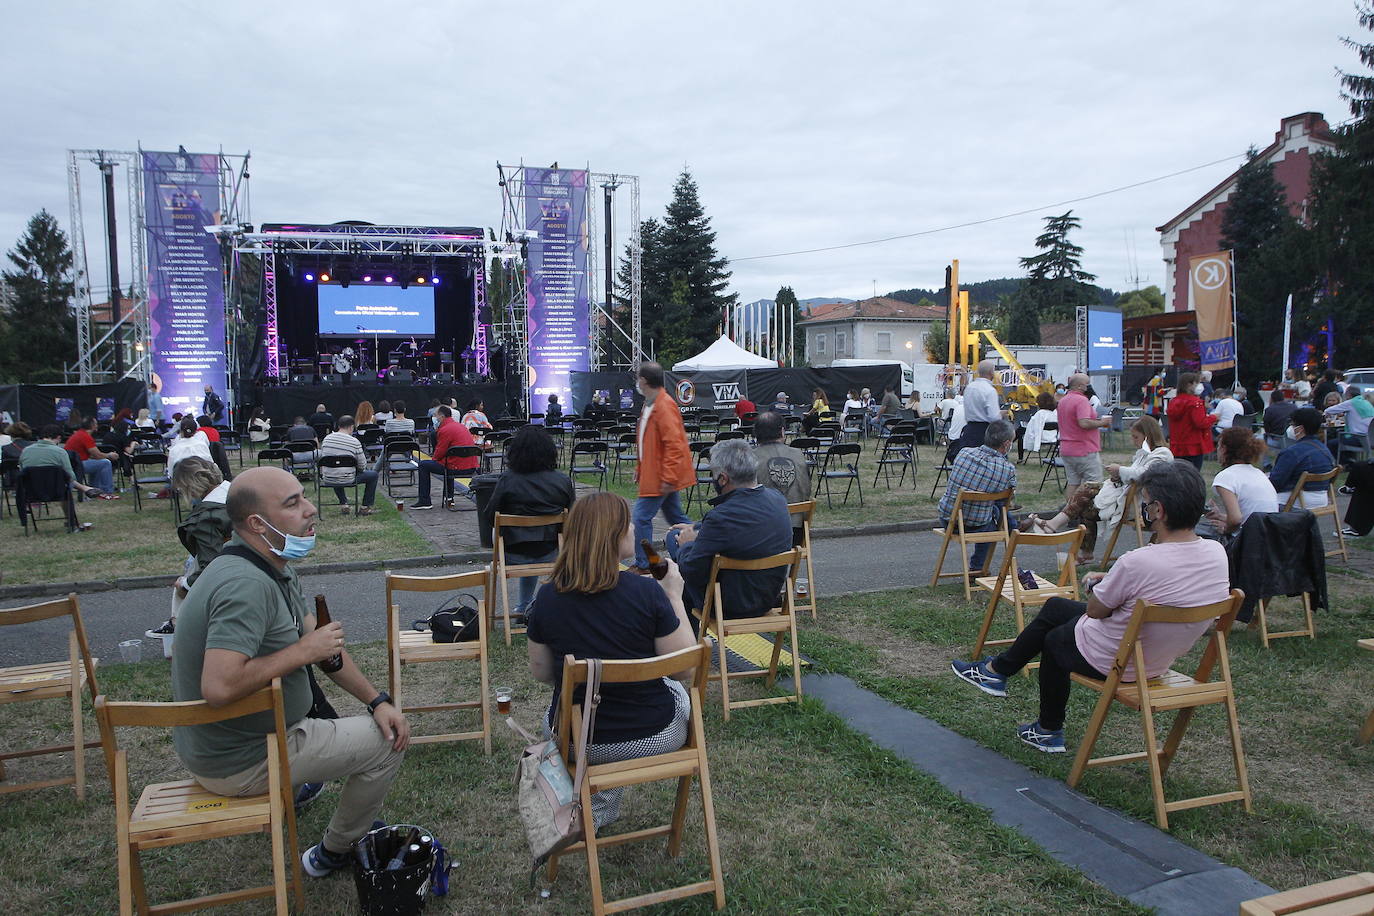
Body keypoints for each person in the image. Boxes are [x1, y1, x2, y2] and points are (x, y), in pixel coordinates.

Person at [171, 466, 409, 877]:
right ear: (257, 524)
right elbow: (219, 687)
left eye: (304, 497)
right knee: (388, 742)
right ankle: (333, 852)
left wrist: (377, 700)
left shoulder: (271, 565)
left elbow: (323, 648)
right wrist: (303, 650)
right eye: (293, 503)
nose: (311, 509)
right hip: (242, 759)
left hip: (239, 743)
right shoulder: (244, 585)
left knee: (383, 720)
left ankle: (298, 790)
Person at [951, 461, 1231, 753]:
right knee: (1057, 607)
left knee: (1055, 640)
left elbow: (1097, 611)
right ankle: (996, 672)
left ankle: (1048, 730)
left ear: (1158, 510)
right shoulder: (1215, 552)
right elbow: (1171, 581)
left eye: (1144, 504)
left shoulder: (1139, 561)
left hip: (1119, 659)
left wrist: (1102, 586)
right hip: (1155, 657)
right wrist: (1113, 579)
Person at [525, 492, 698, 828]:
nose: (634, 527)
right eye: (627, 523)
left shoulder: (547, 596)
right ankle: (604, 801)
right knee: (674, 689)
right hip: (652, 736)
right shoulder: (647, 593)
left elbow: (542, 672)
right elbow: (684, 667)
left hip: (576, 739)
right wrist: (674, 595)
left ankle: (601, 801)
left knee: (572, 700)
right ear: (614, 535)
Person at [667, 439, 794, 623]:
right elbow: (745, 528)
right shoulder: (778, 500)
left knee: (674, 541)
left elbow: (692, 571)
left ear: (723, 478)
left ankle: (688, 640)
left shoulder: (721, 517)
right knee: (688, 538)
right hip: (768, 597)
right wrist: (699, 529)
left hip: (728, 605)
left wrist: (685, 545)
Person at [1023, 415, 1173, 564]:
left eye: (1135, 437)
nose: (1133, 441)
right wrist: (1118, 476)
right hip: (1130, 499)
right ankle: (1081, 548)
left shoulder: (1162, 454)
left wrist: (1119, 470)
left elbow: (1143, 475)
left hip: (1144, 507)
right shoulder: (1145, 454)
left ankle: (1057, 526)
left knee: (1087, 491)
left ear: (1148, 436)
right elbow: (1134, 477)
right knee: (1086, 501)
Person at [480, 425, 576, 617]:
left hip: (512, 553)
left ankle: (523, 606)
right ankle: (531, 606)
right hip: (551, 551)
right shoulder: (562, 481)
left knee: (510, 534)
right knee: (545, 538)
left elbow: (490, 516)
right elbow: (573, 518)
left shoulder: (508, 479)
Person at [146, 457, 233, 639]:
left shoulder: (206, 517)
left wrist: (185, 586)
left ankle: (178, 625)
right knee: (190, 564)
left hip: (228, 570)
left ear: (188, 485)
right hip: (248, 559)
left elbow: (211, 564)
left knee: (186, 576)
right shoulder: (235, 492)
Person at [630, 362, 695, 572]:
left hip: (661, 477)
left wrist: (667, 477)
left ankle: (645, 562)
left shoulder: (663, 405)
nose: (637, 381)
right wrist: (640, 468)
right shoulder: (651, 403)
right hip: (658, 474)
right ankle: (701, 544)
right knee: (677, 518)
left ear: (644, 381)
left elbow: (674, 444)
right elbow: (647, 442)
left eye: (638, 377)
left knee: (641, 518)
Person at [938, 420, 1018, 575]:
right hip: (977, 525)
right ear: (1007, 444)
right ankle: (977, 567)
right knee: (997, 520)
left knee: (992, 507)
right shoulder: (1007, 469)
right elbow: (1008, 500)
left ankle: (1014, 527)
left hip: (948, 517)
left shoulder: (964, 453)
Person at [752, 411, 812, 595]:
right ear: (782, 432)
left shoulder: (749, 458)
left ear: (756, 434)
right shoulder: (799, 455)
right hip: (796, 532)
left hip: (763, 535)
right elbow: (807, 490)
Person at [1201, 427, 1277, 539]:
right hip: (1269, 537)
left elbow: (1236, 520)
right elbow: (1249, 515)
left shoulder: (1226, 476)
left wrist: (1225, 529)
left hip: (1248, 542)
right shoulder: (1259, 474)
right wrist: (1221, 517)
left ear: (1224, 449)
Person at [19, 424, 108, 507]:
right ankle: (71, 517)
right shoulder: (60, 452)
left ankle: (85, 488)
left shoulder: (25, 451)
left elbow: (22, 471)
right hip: (55, 490)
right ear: (58, 438)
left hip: (31, 489)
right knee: (65, 479)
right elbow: (70, 476)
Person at [412, 405, 479, 509]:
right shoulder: (461, 426)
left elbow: (439, 453)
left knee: (423, 465)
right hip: (471, 466)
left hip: (455, 467)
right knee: (448, 462)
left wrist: (434, 460)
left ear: (442, 416)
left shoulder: (445, 430)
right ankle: (449, 498)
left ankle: (425, 501)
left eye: (436, 415)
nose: (435, 418)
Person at [1057, 373, 1110, 504]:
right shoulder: (1081, 400)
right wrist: (1102, 423)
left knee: (1073, 483)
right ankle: (1090, 517)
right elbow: (1084, 423)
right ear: (1081, 386)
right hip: (1084, 449)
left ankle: (1069, 514)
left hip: (1067, 448)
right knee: (1094, 484)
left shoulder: (1063, 400)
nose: (1089, 387)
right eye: (1087, 384)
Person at [1269, 407, 1335, 509]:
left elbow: (1275, 483)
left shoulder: (1292, 452)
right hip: (1322, 499)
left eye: (1292, 425)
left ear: (1300, 428)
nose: (1291, 428)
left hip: (1297, 500)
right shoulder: (1325, 449)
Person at [320, 416, 379, 515]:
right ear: (351, 427)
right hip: (347, 478)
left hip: (328, 478)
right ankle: (365, 507)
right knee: (373, 475)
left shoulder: (326, 439)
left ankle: (344, 504)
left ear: (338, 426)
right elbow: (362, 465)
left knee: (335, 469)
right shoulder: (354, 442)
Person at [1167, 371, 1217, 470]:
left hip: (1177, 444)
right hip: (1193, 445)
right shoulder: (1195, 403)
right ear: (1189, 384)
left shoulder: (1173, 401)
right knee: (1193, 474)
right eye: (1197, 383)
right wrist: (1213, 418)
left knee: (1179, 473)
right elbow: (1200, 422)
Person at [64, 416, 119, 496]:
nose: (97, 425)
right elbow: (97, 455)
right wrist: (110, 455)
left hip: (73, 464)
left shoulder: (79, 434)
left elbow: (93, 456)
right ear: (92, 425)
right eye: (96, 423)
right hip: (77, 465)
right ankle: (107, 491)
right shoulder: (85, 436)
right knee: (105, 463)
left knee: (98, 464)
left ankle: (94, 490)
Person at [958, 360, 1003, 452]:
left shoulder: (969, 388)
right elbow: (994, 417)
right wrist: (1001, 415)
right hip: (984, 431)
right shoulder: (990, 391)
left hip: (969, 429)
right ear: (991, 373)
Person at [1323, 385, 1374, 463]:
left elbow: (1328, 410)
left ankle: (1343, 463)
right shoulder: (1366, 403)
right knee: (1342, 438)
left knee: (1331, 443)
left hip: (1359, 438)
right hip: (1370, 438)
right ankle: (1350, 460)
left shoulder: (1351, 402)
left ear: (1348, 394)